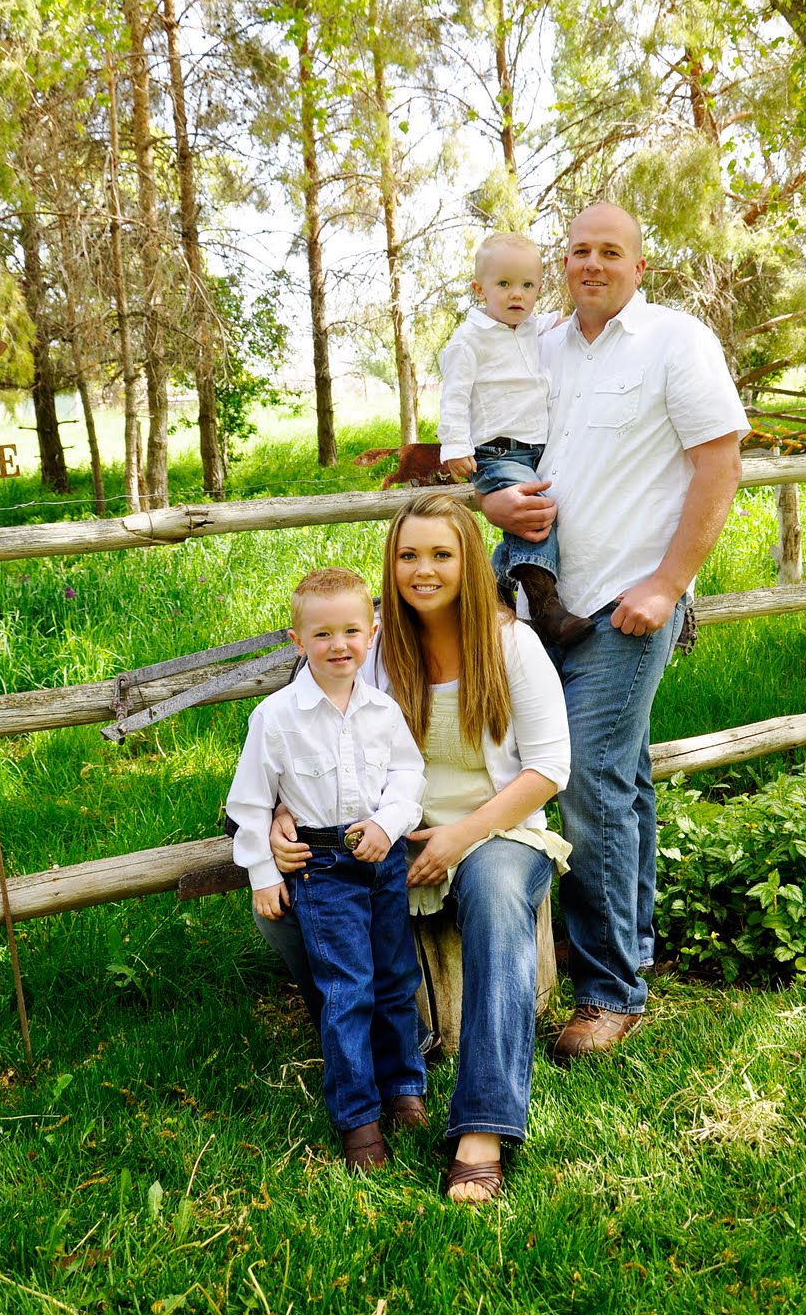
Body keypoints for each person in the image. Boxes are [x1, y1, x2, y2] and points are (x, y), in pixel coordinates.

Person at [478, 201, 749, 1062]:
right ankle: (620, 948)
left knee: (586, 778)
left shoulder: (675, 341)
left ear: (638, 265)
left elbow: (718, 463)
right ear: (562, 264)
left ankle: (608, 990)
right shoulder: (537, 345)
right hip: (540, 602)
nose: (590, 263)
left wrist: (667, 585)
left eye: (609, 251)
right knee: (617, 782)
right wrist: (494, 501)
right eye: (577, 251)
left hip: (625, 606)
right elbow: (500, 447)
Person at [265, 494, 571, 1203]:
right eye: (408, 555)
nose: (422, 570)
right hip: (388, 833)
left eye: (441, 554)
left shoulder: (511, 645)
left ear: (470, 561)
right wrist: (281, 812)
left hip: (495, 829)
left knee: (496, 895)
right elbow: (298, 735)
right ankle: (373, 1051)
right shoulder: (373, 648)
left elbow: (549, 768)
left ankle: (482, 1127)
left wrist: (461, 836)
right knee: (281, 908)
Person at [225, 567, 428, 1173]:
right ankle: (358, 1119)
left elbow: (408, 776)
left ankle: (404, 1088)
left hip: (380, 856)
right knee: (347, 989)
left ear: (372, 633)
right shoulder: (276, 717)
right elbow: (249, 804)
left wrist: (389, 824)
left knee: (396, 976)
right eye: (322, 634)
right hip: (321, 867)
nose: (339, 645)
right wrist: (263, 872)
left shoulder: (382, 710)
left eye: (351, 631)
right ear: (297, 641)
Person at [438, 231, 592, 647]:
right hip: (495, 450)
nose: (516, 294)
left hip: (533, 450)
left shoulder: (529, 328)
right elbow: (454, 396)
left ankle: (494, 581)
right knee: (533, 513)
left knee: (535, 511)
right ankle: (545, 607)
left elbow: (561, 322)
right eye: (504, 284)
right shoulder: (469, 340)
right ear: (480, 290)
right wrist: (455, 447)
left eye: (527, 285)